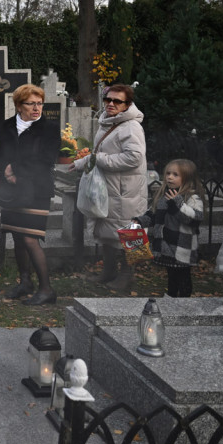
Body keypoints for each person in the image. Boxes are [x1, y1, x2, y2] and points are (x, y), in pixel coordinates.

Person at [71, 83, 148, 293]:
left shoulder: (131, 126)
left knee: (128, 232)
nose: (111, 104)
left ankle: (127, 276)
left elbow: (134, 158)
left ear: (127, 105)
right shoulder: (108, 123)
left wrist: (101, 160)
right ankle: (109, 271)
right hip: (112, 188)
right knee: (108, 230)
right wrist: (80, 162)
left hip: (126, 190)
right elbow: (99, 153)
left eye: (117, 101)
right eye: (108, 100)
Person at [0, 84, 61, 305]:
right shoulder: (7, 126)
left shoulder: (48, 128)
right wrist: (5, 171)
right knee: (17, 236)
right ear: (19, 105)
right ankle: (25, 282)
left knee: (30, 238)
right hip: (12, 191)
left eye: (40, 103)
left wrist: (17, 171)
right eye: (31, 103)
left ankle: (46, 288)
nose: (37, 108)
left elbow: (47, 158)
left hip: (37, 189)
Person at [137, 159, 203, 298]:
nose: (169, 177)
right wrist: (139, 221)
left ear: (187, 178)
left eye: (175, 174)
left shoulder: (192, 198)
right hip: (166, 245)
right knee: (172, 277)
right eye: (168, 173)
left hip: (182, 248)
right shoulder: (163, 196)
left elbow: (194, 218)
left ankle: (184, 302)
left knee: (183, 277)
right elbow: (153, 214)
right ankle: (172, 300)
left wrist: (177, 203)